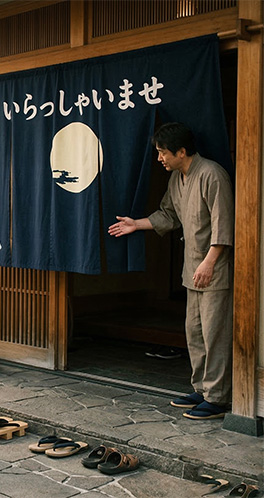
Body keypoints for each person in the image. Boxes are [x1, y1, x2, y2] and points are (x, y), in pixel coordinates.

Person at [108, 123, 234, 420]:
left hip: (213, 267)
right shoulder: (178, 179)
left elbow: (223, 222)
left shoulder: (212, 175)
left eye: (163, 152)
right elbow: (169, 214)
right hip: (192, 268)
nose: (160, 158)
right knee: (195, 333)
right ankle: (202, 388)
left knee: (215, 334)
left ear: (181, 151)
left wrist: (210, 260)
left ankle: (218, 397)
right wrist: (136, 224)